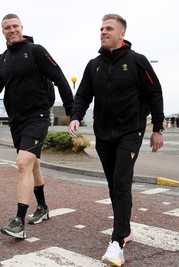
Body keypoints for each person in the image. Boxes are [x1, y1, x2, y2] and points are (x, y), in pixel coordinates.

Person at [68, 14, 165, 266]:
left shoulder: (137, 62)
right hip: (104, 134)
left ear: (122, 34)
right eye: (101, 28)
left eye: (108, 28)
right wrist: (76, 117)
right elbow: (83, 95)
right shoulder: (93, 65)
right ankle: (126, 228)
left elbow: (155, 94)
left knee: (121, 182)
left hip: (130, 132)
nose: (103, 32)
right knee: (114, 184)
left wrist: (158, 128)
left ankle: (117, 242)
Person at [0, 13, 74, 239]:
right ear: (3, 31)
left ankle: (18, 222)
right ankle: (43, 207)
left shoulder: (36, 51)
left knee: (23, 163)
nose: (12, 30)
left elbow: (59, 76)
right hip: (16, 119)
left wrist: (71, 109)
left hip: (37, 115)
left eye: (15, 26)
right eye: (7, 27)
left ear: (22, 27)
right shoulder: (2, 59)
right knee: (33, 163)